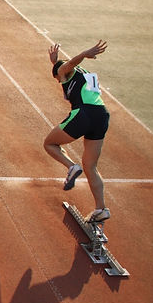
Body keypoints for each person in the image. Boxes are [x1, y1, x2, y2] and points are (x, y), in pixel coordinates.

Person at [44, 40, 111, 223]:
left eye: (58, 79)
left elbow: (67, 66)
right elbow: (68, 66)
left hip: (84, 113)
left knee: (49, 144)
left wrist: (84, 53)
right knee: (90, 166)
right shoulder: (83, 73)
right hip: (101, 115)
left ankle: (71, 166)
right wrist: (55, 61)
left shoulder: (63, 71)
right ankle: (101, 208)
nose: (59, 82)